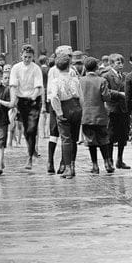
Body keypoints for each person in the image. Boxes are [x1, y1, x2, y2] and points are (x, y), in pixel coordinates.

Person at [47, 51, 82, 179]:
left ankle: (67, 167)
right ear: (69, 66)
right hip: (76, 107)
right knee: (74, 139)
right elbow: (80, 96)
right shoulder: (75, 79)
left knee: (65, 139)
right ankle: (72, 165)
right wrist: (80, 109)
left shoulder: (55, 81)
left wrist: (59, 112)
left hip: (64, 107)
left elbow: (54, 97)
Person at [9, 46, 44, 170]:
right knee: (25, 128)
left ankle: (29, 158)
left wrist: (33, 97)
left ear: (33, 57)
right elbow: (13, 85)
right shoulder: (16, 68)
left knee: (32, 128)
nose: (27, 59)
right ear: (21, 55)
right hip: (22, 100)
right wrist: (13, 100)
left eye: (29, 57)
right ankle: (31, 147)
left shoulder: (36, 69)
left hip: (34, 100)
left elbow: (38, 86)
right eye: (25, 57)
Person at [79, 57, 114, 173]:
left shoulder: (81, 80)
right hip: (100, 115)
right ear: (97, 67)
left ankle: (95, 165)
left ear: (85, 68)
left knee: (90, 141)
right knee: (103, 139)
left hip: (86, 115)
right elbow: (106, 97)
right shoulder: (102, 80)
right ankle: (107, 162)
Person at [102, 54, 130, 169]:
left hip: (123, 110)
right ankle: (110, 160)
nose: (121, 65)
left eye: (122, 62)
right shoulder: (106, 76)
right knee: (111, 136)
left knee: (123, 136)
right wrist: (119, 94)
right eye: (118, 62)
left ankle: (120, 159)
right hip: (112, 109)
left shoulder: (125, 76)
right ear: (111, 64)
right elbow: (106, 91)